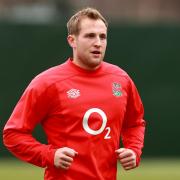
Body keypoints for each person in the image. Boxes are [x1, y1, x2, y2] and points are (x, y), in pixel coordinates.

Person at [3, 7, 146, 180]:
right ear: (72, 40)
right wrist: (48, 155)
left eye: (103, 36)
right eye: (90, 36)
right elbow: (13, 134)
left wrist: (133, 150)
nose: (98, 43)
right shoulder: (48, 82)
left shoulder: (121, 79)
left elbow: (135, 123)